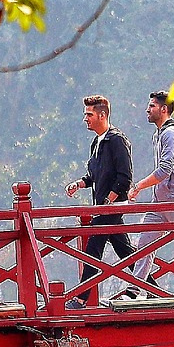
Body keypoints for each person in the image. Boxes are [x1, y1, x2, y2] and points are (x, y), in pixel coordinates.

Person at [126, 91, 174, 297]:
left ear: (163, 109)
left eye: (152, 106)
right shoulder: (158, 134)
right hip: (159, 200)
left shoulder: (170, 134)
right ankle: (134, 289)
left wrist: (139, 186)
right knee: (144, 242)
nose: (148, 110)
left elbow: (165, 169)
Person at [65, 95, 133, 309]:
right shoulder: (97, 142)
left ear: (102, 115)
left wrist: (107, 201)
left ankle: (80, 298)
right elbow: (94, 175)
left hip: (110, 208)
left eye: (89, 114)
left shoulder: (116, 140)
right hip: (103, 208)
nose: (85, 118)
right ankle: (153, 288)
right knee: (126, 252)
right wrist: (80, 183)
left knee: (93, 248)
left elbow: (125, 177)